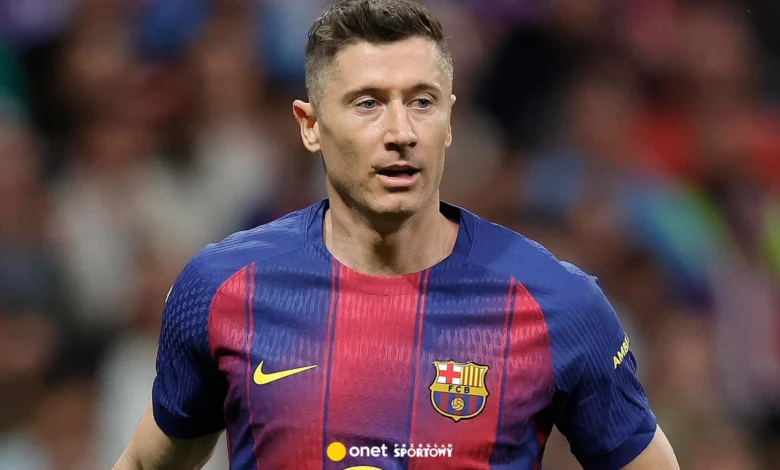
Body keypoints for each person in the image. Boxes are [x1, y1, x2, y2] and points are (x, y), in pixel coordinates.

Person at [114, 0, 679, 468]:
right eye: (368, 104)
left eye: (422, 102)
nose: (401, 132)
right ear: (310, 126)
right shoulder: (222, 289)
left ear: (450, 121)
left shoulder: (558, 303)